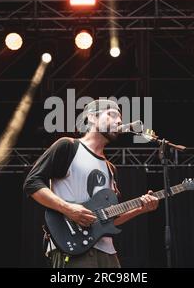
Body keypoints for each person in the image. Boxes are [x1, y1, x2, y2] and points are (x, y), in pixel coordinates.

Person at [23, 99, 159, 268]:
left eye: (120, 118)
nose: (118, 121)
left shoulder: (110, 169)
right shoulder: (68, 146)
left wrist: (141, 209)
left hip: (108, 253)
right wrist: (68, 209)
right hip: (71, 247)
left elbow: (109, 220)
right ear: (92, 118)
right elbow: (32, 182)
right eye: (112, 115)